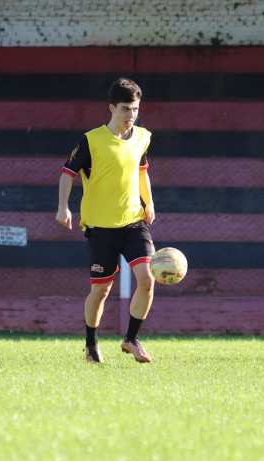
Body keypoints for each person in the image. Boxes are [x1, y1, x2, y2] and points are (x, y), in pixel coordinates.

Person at [55, 77, 156, 364]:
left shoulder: (142, 137)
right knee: (100, 291)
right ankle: (91, 345)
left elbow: (142, 170)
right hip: (100, 227)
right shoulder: (91, 140)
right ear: (111, 108)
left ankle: (131, 339)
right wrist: (63, 207)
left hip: (134, 222)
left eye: (135, 109)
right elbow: (67, 173)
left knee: (147, 280)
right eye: (125, 109)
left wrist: (149, 202)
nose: (131, 115)